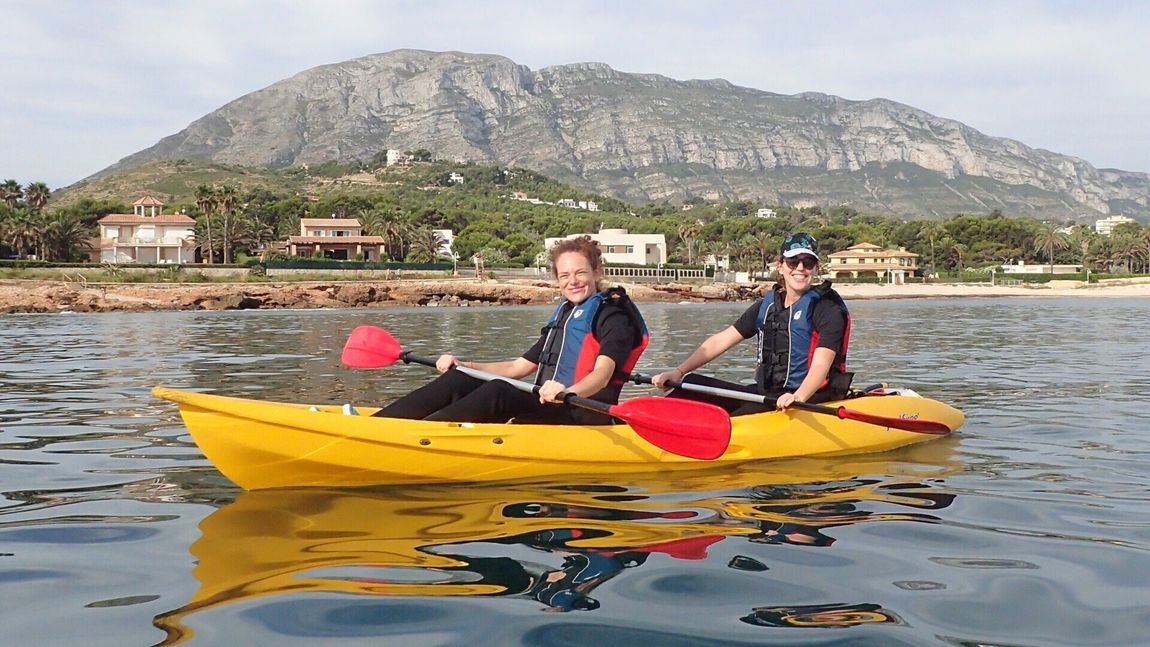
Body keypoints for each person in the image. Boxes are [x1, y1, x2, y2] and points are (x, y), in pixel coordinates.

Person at [373, 235, 648, 424]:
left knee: (500, 392)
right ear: (557, 279)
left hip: (582, 412)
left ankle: (419, 437)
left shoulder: (613, 315)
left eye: (580, 273)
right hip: (550, 403)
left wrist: (567, 392)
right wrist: (464, 364)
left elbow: (602, 376)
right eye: (565, 275)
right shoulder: (566, 313)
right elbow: (518, 367)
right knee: (465, 378)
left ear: (596, 271)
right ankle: (383, 425)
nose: (572, 281)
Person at [651, 232, 851, 415]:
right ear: (780, 266)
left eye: (808, 262)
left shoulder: (828, 309)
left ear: (816, 268)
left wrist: (798, 397)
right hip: (768, 393)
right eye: (793, 261)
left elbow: (821, 365)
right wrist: (678, 372)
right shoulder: (768, 305)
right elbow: (721, 341)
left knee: (739, 415)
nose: (800, 268)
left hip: (810, 397)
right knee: (690, 384)